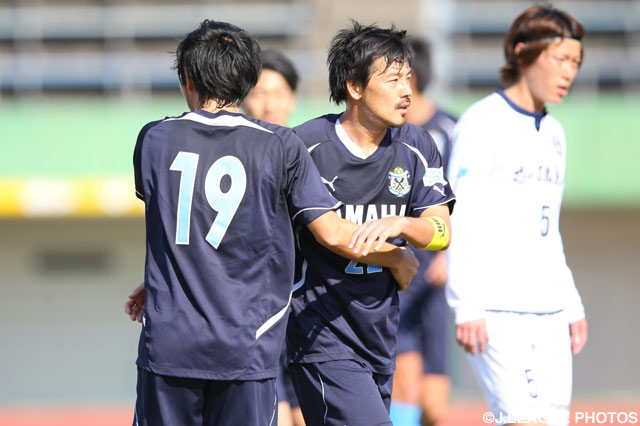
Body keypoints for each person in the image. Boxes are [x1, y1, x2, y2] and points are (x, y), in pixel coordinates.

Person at [127, 19, 418, 426]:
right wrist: (396, 258)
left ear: (188, 78)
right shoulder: (280, 144)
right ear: (249, 81)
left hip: (170, 344)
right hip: (246, 348)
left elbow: (182, 221)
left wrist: (164, 277)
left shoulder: (154, 139)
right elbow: (332, 233)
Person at [285, 22, 456, 426]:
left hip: (379, 334)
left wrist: (403, 224)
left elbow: (441, 232)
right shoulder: (304, 146)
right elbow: (323, 233)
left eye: (408, 78)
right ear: (355, 87)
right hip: (321, 336)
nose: (406, 90)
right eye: (393, 80)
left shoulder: (418, 144)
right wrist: (395, 257)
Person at [445, 5, 588, 426]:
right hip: (497, 309)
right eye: (561, 59)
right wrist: (466, 303)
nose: (569, 72)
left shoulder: (556, 133)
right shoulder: (481, 122)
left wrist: (572, 302)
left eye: (576, 62)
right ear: (523, 52)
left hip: (551, 309)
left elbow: (549, 229)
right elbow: (459, 216)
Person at [390, 37, 457, 426]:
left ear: (412, 78)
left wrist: (450, 255)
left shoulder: (450, 129)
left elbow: (469, 200)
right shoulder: (385, 132)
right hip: (399, 270)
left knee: (434, 405)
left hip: (436, 275)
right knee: (404, 386)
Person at [243, 48, 306, 426]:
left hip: (305, 313)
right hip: (253, 317)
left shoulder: (309, 157)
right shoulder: (230, 161)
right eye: (259, 93)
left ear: (293, 99)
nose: (269, 104)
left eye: (279, 93)